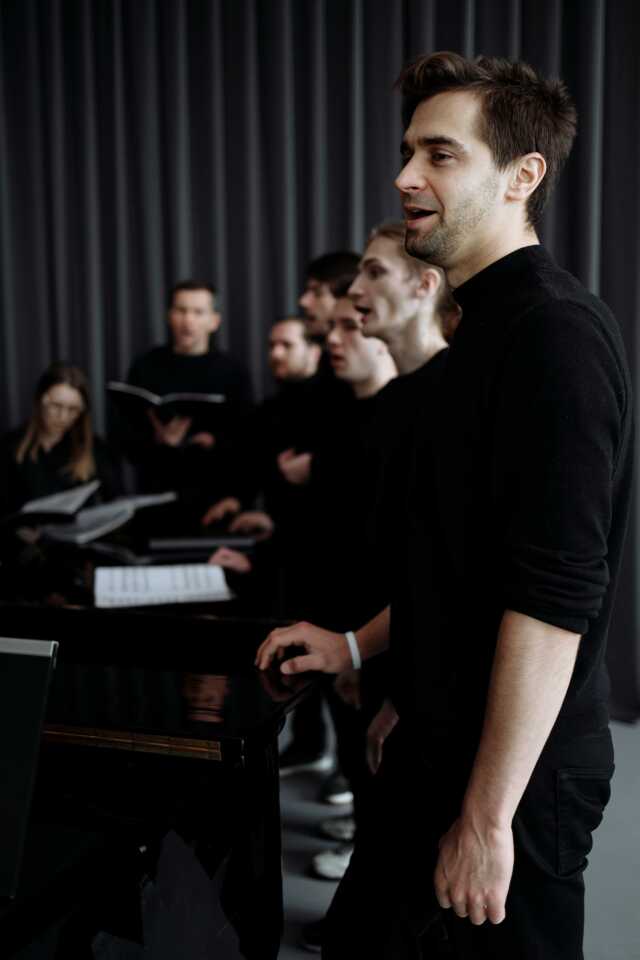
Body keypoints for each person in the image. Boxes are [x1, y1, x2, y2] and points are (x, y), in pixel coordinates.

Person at [257, 51, 632, 960]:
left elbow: (551, 599)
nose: (403, 177)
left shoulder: (554, 335)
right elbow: (456, 570)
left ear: (523, 175)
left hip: (514, 784)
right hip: (437, 745)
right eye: (405, 151)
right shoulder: (478, 337)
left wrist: (487, 818)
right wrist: (359, 653)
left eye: (439, 154)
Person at [117, 280, 252, 511]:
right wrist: (159, 441)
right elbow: (124, 437)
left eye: (198, 312)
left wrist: (213, 442)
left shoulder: (233, 371)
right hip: (156, 497)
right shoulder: (146, 366)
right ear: (170, 316)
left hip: (216, 500)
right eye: (181, 310)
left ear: (214, 321)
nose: (188, 320)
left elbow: (249, 442)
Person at [0, 362, 119, 514]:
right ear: (40, 400)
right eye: (56, 406)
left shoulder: (95, 448)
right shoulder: (11, 446)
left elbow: (115, 503)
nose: (63, 417)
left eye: (73, 409)